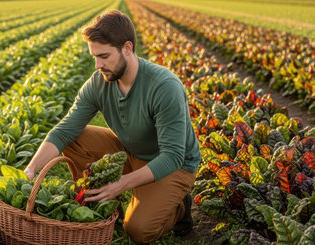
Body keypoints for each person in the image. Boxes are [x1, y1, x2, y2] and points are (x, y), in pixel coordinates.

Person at [24, 9, 201, 244]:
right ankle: (102, 203)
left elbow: (173, 156)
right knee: (75, 137)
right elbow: (65, 130)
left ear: (127, 48)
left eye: (104, 56)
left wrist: (120, 185)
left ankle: (178, 209)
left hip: (173, 165)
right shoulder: (99, 83)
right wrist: (31, 169)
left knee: (138, 230)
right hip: (131, 150)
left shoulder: (164, 87)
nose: (97, 65)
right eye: (94, 56)